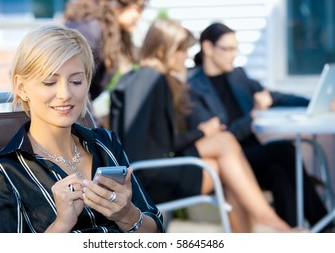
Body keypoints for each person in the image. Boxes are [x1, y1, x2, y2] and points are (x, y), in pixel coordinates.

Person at [110, 18, 296, 232]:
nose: (187, 56)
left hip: (157, 166)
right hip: (148, 178)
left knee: (224, 146)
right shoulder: (149, 79)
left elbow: (161, 142)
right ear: (163, 51)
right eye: (182, 50)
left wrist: (201, 132)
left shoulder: (152, 78)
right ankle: (270, 221)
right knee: (224, 166)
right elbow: (137, 148)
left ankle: (265, 223)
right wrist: (201, 132)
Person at [0, 23, 164, 233]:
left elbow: (156, 231)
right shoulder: (6, 172)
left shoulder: (106, 144)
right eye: (50, 82)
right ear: (21, 88)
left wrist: (127, 215)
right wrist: (61, 225)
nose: (65, 94)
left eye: (76, 81)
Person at [188, 22, 333, 231]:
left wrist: (314, 101)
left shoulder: (237, 76)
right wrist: (253, 114)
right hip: (231, 161)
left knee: (279, 173)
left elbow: (274, 97)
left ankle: (291, 235)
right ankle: (325, 226)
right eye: (228, 49)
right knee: (284, 150)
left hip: (255, 156)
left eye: (236, 49)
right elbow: (220, 137)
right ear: (208, 48)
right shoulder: (193, 88)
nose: (233, 55)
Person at [64, 0, 151, 102]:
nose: (140, 16)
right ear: (117, 5)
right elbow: (72, 86)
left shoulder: (110, 31)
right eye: (138, 9)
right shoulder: (89, 31)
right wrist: (92, 121)